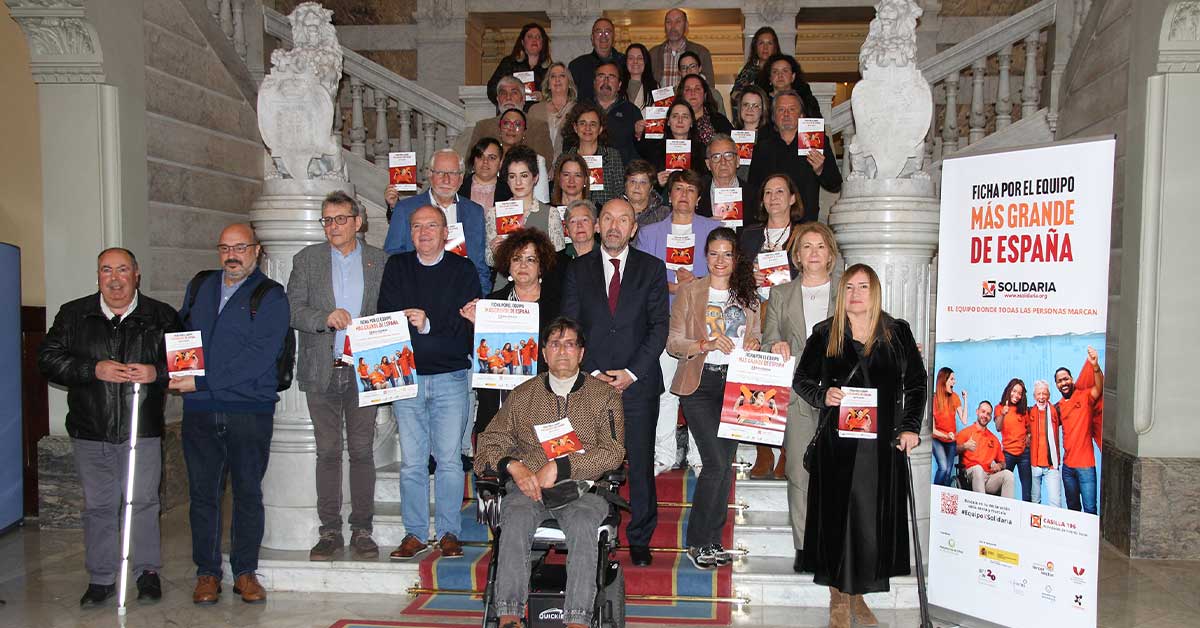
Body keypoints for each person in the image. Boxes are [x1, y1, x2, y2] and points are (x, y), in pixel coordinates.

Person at [38, 247, 180, 607]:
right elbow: (48, 360)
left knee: (143, 502)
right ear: (98, 275)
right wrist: (93, 369)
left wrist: (156, 373)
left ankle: (147, 573)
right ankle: (101, 578)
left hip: (141, 430)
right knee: (99, 506)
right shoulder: (73, 314)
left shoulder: (163, 315)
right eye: (106, 270)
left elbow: (187, 367)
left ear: (136, 274)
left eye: (122, 270)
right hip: (91, 429)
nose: (115, 279)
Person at [793, 263, 926, 628]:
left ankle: (858, 593)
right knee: (837, 519)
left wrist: (910, 428)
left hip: (880, 447)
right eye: (849, 287)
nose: (855, 294)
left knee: (869, 521)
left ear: (875, 291)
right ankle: (838, 596)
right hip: (837, 446)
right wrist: (823, 395)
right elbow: (802, 379)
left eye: (863, 287)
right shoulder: (826, 333)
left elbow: (916, 383)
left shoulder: (896, 332)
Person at [474, 317, 626, 628]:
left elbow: (613, 452)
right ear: (544, 353)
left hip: (582, 489)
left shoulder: (604, 396)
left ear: (581, 353)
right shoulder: (523, 395)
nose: (562, 351)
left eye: (570, 344)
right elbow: (488, 443)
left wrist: (562, 466)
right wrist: (512, 465)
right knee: (514, 515)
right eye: (555, 344)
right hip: (529, 487)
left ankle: (577, 620)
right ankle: (509, 616)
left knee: (583, 523)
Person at [171, 223, 291, 605]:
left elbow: (259, 358)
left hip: (249, 410)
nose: (231, 255)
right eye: (225, 248)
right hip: (201, 411)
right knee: (203, 494)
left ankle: (245, 572)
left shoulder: (271, 296)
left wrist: (202, 382)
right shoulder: (200, 287)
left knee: (247, 493)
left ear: (257, 250)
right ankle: (207, 573)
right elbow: (183, 335)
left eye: (240, 247)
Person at [561, 198, 670, 567]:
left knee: (640, 464)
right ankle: (590, 533)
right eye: (607, 218)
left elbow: (659, 327)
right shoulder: (578, 270)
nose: (614, 226)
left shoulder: (652, 268)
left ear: (633, 228)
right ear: (597, 225)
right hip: (590, 385)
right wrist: (592, 371)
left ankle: (639, 538)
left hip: (638, 385)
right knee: (589, 463)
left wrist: (630, 373)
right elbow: (571, 326)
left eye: (623, 220)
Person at [287, 191, 388, 561]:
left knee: (361, 451)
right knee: (327, 452)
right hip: (322, 369)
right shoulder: (307, 259)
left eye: (340, 219)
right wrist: (323, 318)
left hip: (366, 371)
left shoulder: (380, 261)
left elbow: (389, 310)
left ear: (358, 221)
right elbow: (292, 309)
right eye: (327, 220)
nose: (333, 226)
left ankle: (362, 529)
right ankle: (329, 531)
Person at [378, 205, 483, 561]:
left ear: (445, 232)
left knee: (450, 460)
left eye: (432, 226)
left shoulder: (463, 270)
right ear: (410, 233)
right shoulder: (397, 267)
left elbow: (466, 325)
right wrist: (435, 326)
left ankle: (450, 532)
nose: (424, 232)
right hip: (406, 379)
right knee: (412, 462)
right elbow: (387, 316)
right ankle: (415, 533)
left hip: (451, 376)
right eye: (417, 226)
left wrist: (427, 324)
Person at [667, 228, 762, 568]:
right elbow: (673, 342)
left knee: (724, 466)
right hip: (700, 384)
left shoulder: (748, 295)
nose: (720, 260)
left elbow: (756, 335)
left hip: (737, 386)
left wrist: (755, 342)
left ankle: (713, 541)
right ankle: (696, 543)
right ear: (705, 257)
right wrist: (704, 344)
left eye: (727, 254)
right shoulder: (690, 291)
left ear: (736, 259)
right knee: (716, 463)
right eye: (714, 253)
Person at [762, 222, 841, 571]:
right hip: (797, 392)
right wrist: (775, 344)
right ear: (797, 255)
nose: (813, 253)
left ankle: (834, 544)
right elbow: (768, 339)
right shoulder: (781, 294)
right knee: (798, 470)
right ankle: (804, 546)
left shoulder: (846, 290)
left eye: (820, 246)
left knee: (838, 471)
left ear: (830, 254)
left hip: (840, 395)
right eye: (806, 247)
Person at [635, 170, 722, 476]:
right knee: (666, 391)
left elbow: (724, 273)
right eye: (678, 189)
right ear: (669, 195)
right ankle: (663, 454)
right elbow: (640, 279)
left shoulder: (714, 229)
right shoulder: (649, 233)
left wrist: (695, 283)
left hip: (704, 321)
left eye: (690, 190)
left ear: (699, 198)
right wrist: (672, 288)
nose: (684, 195)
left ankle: (700, 455)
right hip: (664, 320)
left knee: (701, 390)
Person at [460, 228, 561, 435]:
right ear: (508, 263)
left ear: (541, 267)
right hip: (498, 400)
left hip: (545, 400)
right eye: (516, 259)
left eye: (530, 259)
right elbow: (478, 354)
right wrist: (476, 325)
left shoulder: (558, 304)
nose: (523, 265)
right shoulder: (492, 302)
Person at [385, 148, 492, 293]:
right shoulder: (405, 209)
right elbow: (392, 258)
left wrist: (479, 299)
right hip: (417, 295)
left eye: (452, 173)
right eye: (440, 172)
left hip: (463, 298)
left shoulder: (474, 212)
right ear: (430, 175)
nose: (446, 179)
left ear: (461, 178)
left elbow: (479, 266)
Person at [746, 89, 842, 226]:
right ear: (774, 117)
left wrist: (820, 169)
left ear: (801, 115)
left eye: (792, 109)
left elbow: (835, 184)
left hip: (805, 225)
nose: (786, 114)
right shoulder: (763, 148)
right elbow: (753, 190)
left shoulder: (816, 144)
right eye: (781, 110)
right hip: (772, 225)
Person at [487, 145, 565, 278]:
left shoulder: (551, 214)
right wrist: (496, 252)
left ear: (535, 178)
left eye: (524, 175)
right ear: (507, 180)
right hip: (504, 284)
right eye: (512, 176)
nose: (518, 182)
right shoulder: (494, 213)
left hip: (541, 285)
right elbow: (489, 261)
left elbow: (557, 261)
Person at [1055, 346, 1103, 514]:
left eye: (1066, 379)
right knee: (1073, 511)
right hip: (1067, 468)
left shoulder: (1085, 396)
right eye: (1060, 381)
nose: (1063, 383)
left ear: (1072, 379)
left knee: (1090, 509)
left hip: (1086, 467)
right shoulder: (1058, 407)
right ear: (1057, 385)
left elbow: (1099, 388)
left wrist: (1095, 366)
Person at [464, 75, 554, 164]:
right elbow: (470, 161)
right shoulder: (483, 127)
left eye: (514, 93)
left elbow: (544, 163)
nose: (508, 97)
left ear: (523, 99)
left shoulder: (538, 127)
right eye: (503, 93)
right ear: (498, 99)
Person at [559, 100, 626, 208]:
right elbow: (557, 193)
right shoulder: (564, 159)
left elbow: (620, 192)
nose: (587, 128)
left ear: (600, 129)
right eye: (582, 123)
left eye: (593, 124)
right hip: (573, 214)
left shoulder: (612, 156)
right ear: (575, 128)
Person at [636, 100, 710, 187]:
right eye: (675, 116)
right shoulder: (655, 150)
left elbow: (707, 182)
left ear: (691, 123)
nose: (680, 120)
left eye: (685, 116)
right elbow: (645, 182)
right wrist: (656, 182)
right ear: (668, 122)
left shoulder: (702, 150)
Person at [957, 401, 1016, 498]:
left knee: (1008, 474)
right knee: (978, 469)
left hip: (988, 477)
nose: (985, 415)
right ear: (977, 411)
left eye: (988, 414)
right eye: (983, 412)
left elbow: (1003, 462)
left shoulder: (993, 439)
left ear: (990, 418)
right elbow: (952, 451)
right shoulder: (966, 433)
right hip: (971, 475)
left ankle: (1007, 506)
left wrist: (999, 466)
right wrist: (964, 446)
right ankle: (981, 503)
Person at [588, 61, 643, 167]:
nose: (606, 81)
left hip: (623, 172)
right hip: (588, 171)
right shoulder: (582, 109)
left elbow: (641, 149)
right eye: (601, 76)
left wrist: (641, 135)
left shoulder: (631, 111)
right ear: (594, 82)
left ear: (619, 85)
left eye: (611, 77)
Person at [486, 23, 551, 110]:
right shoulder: (509, 63)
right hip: (512, 112)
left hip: (538, 113)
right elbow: (492, 89)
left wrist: (543, 97)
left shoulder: (550, 68)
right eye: (530, 37)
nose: (534, 40)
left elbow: (557, 95)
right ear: (523, 42)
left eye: (538, 37)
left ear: (543, 43)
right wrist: (508, 97)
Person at [495, 108, 551, 203]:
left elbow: (542, 200)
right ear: (500, 129)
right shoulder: (489, 159)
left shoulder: (537, 160)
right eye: (506, 123)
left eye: (517, 124)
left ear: (524, 132)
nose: (511, 128)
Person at [650, 8, 715, 90]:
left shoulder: (701, 53)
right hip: (658, 98)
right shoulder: (653, 54)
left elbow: (710, 88)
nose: (673, 26)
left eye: (678, 22)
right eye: (669, 22)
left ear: (686, 26)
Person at [569, 18, 624, 105]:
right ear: (592, 38)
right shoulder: (577, 66)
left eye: (607, 32)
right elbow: (570, 99)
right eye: (599, 32)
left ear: (614, 37)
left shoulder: (625, 63)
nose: (603, 36)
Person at [527, 62, 577, 157]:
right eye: (553, 76)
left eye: (562, 76)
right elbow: (528, 141)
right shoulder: (535, 110)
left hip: (568, 162)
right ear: (548, 85)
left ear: (569, 83)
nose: (557, 79)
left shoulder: (578, 111)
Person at [731, 27, 780, 121]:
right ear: (755, 47)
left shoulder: (782, 70)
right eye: (761, 43)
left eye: (769, 43)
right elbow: (735, 96)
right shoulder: (747, 71)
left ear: (775, 47)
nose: (765, 48)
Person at [995, 378, 1032, 501]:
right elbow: (998, 427)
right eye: (1014, 391)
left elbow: (1028, 428)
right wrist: (1003, 413)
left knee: (1027, 490)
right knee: (1002, 488)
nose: (1016, 395)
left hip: (1024, 454)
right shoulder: (999, 407)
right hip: (1008, 454)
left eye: (1019, 393)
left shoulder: (1023, 411)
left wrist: (1028, 436)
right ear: (1009, 390)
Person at [1028, 380, 1063, 507]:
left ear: (1049, 395)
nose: (1041, 397)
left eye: (1044, 393)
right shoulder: (1029, 412)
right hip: (1034, 465)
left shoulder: (1055, 411)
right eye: (1039, 394)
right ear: (1034, 396)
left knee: (1055, 502)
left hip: (1051, 466)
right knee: (1034, 502)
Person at [931, 367, 967, 487]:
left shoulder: (955, 397)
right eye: (951, 379)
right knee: (943, 467)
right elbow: (932, 430)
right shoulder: (934, 400)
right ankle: (935, 492)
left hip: (951, 441)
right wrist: (946, 435)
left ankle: (943, 494)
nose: (954, 382)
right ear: (943, 381)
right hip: (937, 439)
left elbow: (964, 420)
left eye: (954, 379)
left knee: (947, 473)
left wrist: (965, 400)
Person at [757, 53, 822, 119]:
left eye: (785, 71)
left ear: (793, 77)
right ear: (770, 78)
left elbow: (816, 123)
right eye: (775, 71)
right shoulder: (761, 100)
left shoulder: (806, 100)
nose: (780, 75)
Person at [698, 134, 745, 220]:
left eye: (728, 155)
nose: (723, 162)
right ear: (708, 164)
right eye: (716, 157)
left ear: (738, 161)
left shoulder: (755, 195)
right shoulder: (697, 196)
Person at [458, 137, 511, 211]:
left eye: (492, 157)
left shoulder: (509, 191)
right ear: (473, 160)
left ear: (500, 162)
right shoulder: (458, 187)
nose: (485, 161)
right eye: (480, 156)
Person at [677, 62, 731, 129]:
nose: (692, 93)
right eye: (688, 89)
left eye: (697, 89)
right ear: (681, 95)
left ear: (705, 94)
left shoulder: (720, 121)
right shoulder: (674, 122)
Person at [732, 85, 769, 181]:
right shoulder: (730, 139)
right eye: (746, 105)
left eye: (755, 106)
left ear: (762, 110)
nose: (749, 109)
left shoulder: (769, 139)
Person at [623, 159, 669, 227]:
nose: (637, 187)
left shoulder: (664, 215)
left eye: (643, 182)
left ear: (651, 188)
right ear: (625, 185)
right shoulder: (613, 210)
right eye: (633, 181)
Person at [558, 199, 600, 265]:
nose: (579, 225)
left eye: (585, 220)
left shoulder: (606, 257)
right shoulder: (556, 261)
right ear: (567, 230)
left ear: (595, 226)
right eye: (573, 221)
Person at [622, 43, 657, 109]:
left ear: (646, 61)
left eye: (640, 58)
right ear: (626, 62)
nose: (635, 61)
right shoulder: (618, 86)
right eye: (631, 58)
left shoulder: (655, 87)